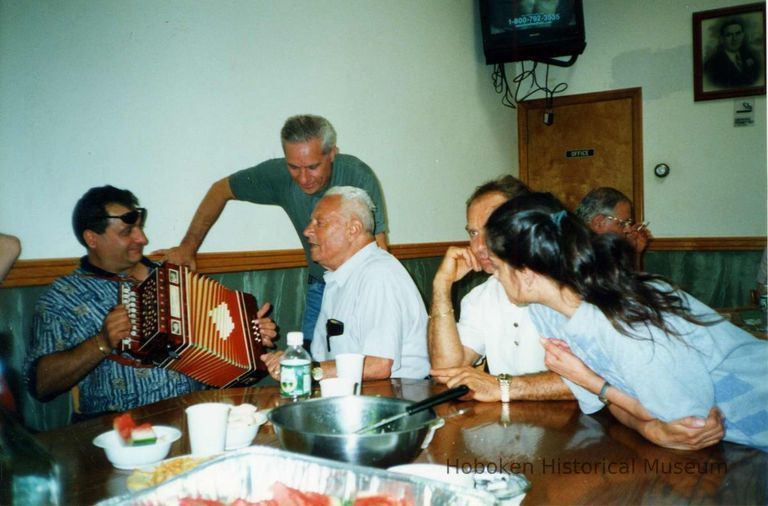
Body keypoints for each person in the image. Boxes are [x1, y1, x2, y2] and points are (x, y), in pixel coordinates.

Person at [485, 191, 767, 450]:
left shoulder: (623, 317)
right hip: (737, 438)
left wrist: (593, 382)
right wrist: (650, 429)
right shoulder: (545, 310)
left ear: (527, 273)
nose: (494, 276)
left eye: (497, 266)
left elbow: (689, 425)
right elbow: (613, 406)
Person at [24, 186, 277, 419]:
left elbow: (220, 359)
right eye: (127, 232)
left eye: (140, 228)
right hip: (120, 427)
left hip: (197, 414)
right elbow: (41, 386)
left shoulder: (174, 277)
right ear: (92, 238)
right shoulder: (64, 296)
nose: (142, 239)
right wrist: (101, 342)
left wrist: (251, 340)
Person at [157, 115, 388, 348]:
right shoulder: (278, 175)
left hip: (360, 286)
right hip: (321, 283)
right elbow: (220, 190)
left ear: (332, 154)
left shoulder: (358, 175)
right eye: (294, 167)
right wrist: (187, 248)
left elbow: (379, 253)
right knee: (308, 362)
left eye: (313, 167)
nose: (304, 178)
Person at [428, 175, 573, 402]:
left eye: (490, 230)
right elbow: (446, 372)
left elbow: (595, 380)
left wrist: (504, 387)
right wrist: (441, 287)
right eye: (473, 233)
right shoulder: (481, 297)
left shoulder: (569, 287)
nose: (479, 246)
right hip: (513, 426)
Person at [261, 186, 429, 381]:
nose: (307, 231)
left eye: (319, 223)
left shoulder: (378, 275)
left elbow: (379, 365)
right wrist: (289, 360)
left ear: (353, 229)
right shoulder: (340, 275)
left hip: (398, 399)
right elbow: (322, 360)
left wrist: (307, 370)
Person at [575, 187, 651, 254]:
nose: (629, 229)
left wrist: (633, 251)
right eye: (622, 223)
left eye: (628, 223)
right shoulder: (578, 254)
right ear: (598, 222)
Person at [704, 18, 761, 88]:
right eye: (729, 35)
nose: (734, 39)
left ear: (743, 35)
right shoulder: (712, 64)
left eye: (738, 33)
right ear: (722, 39)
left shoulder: (752, 58)